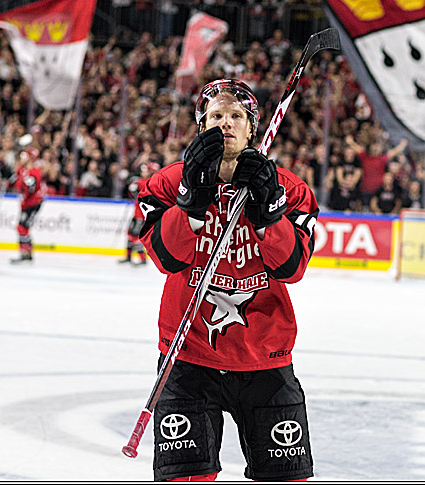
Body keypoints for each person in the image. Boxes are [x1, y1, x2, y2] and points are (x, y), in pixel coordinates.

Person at [137, 78, 319, 482]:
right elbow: (166, 258)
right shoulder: (169, 183)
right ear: (202, 125)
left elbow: (292, 268)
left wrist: (269, 215)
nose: (226, 123)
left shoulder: (287, 189)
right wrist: (190, 203)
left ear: (252, 128)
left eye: (236, 115)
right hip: (188, 355)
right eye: (216, 115)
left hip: (265, 356)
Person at [118, 161, 159, 266]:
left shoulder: (149, 182)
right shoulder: (143, 181)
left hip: (142, 215)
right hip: (137, 213)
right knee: (130, 233)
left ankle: (142, 257)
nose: (142, 173)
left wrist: (134, 185)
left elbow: (140, 188)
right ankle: (128, 255)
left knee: (136, 235)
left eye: (145, 171)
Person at [9, 145, 44, 264]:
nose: (21, 159)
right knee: (22, 227)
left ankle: (26, 252)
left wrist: (24, 182)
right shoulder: (22, 170)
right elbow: (12, 182)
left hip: (33, 203)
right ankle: (26, 252)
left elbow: (30, 189)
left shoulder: (34, 172)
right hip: (26, 203)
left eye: (24, 156)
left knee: (23, 227)